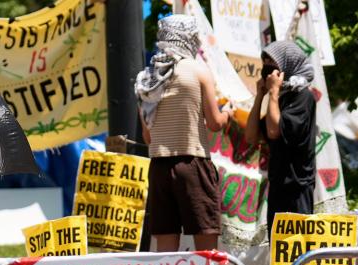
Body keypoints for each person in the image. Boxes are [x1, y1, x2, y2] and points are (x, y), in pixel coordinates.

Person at [135, 14, 232, 252]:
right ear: (190, 37)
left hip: (158, 167)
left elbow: (148, 138)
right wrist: (228, 111)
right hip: (193, 163)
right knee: (205, 248)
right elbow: (215, 123)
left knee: (165, 249)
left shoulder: (146, 78)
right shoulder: (199, 71)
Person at [244, 40, 317, 234]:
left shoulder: (303, 97)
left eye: (272, 64)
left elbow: (275, 132)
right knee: (277, 253)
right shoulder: (280, 99)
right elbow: (251, 136)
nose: (268, 71)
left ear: (287, 66)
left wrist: (274, 94)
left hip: (297, 188)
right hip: (278, 186)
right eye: (265, 63)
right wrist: (260, 96)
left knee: (298, 253)